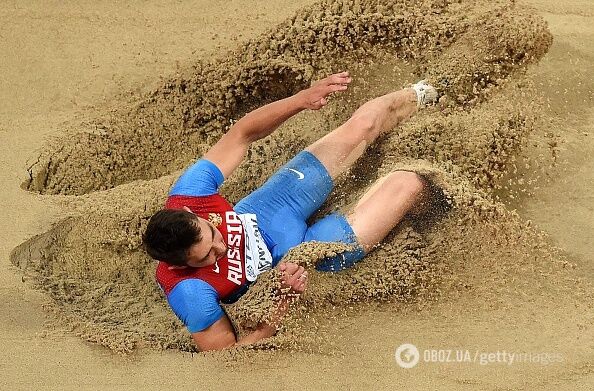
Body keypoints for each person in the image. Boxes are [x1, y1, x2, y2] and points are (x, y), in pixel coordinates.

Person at [142, 72, 438, 351]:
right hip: (296, 258)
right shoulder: (190, 292)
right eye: (206, 256)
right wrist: (284, 297)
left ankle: (434, 91)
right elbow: (228, 355)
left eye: (212, 233)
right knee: (408, 185)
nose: (221, 246)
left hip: (271, 207)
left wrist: (301, 99)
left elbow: (242, 133)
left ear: (192, 213)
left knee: (364, 125)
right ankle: (454, 194)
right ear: (182, 266)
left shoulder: (191, 193)